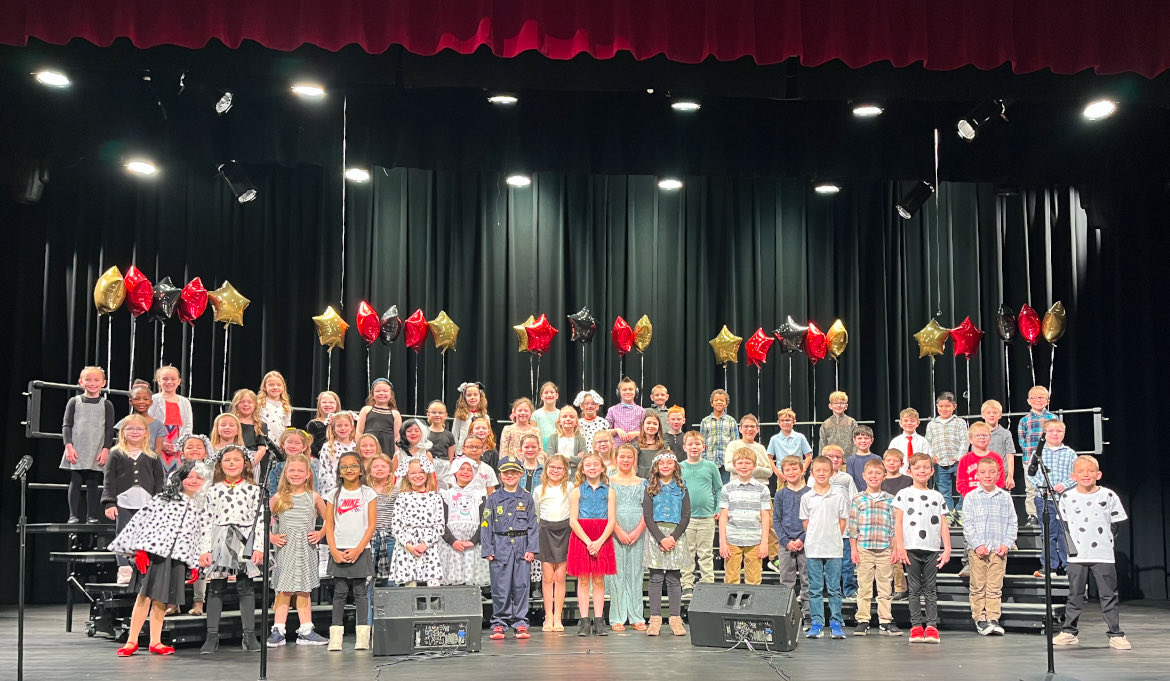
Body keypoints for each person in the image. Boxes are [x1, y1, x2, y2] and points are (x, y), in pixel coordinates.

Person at [108, 460, 209, 656]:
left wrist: (195, 563)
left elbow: (199, 536)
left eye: (199, 477)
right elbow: (142, 522)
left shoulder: (200, 506)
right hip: (155, 554)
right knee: (144, 596)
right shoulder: (164, 499)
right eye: (190, 476)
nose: (194, 481)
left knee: (162, 599)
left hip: (177, 558)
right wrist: (140, 550)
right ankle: (132, 640)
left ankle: (156, 641)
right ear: (180, 478)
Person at [1053, 455, 1131, 650]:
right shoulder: (1067, 497)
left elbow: (1115, 524)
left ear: (1098, 474)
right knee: (1075, 594)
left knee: (1108, 594)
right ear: (1073, 476)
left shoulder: (1108, 495)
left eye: (1090, 471)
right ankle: (1069, 631)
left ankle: (1115, 634)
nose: (1086, 475)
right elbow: (1065, 526)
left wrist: (1106, 543)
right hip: (1077, 555)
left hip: (1102, 554)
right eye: (1081, 471)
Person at [198, 445, 265, 654]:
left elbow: (260, 519)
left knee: (246, 586)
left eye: (236, 460)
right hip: (220, 539)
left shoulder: (254, 490)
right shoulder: (213, 490)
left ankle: (249, 635)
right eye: (227, 460)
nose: (232, 463)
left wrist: (258, 546)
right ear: (221, 464)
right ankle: (211, 636)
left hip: (244, 539)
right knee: (216, 587)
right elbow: (205, 521)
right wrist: (205, 549)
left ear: (244, 464)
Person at [266, 453, 329, 647]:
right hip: (286, 550)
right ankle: (278, 630)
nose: (296, 474)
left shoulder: (314, 497)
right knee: (284, 590)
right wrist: (272, 537)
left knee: (304, 590)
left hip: (306, 549)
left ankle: (306, 630)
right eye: (292, 470)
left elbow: (329, 519)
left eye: (300, 471)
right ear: (285, 473)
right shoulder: (277, 498)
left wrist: (320, 533)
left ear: (308, 474)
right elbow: (264, 523)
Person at [893, 452, 952, 644]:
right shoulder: (903, 494)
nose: (922, 471)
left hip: (931, 547)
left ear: (932, 471)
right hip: (911, 547)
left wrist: (947, 548)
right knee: (914, 589)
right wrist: (900, 547)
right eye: (917, 467)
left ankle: (932, 626)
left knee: (930, 589)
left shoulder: (937, 496)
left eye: (926, 467)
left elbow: (943, 524)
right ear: (909, 471)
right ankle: (916, 626)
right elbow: (898, 523)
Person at [102, 415, 167, 583]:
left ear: (146, 433)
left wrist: (159, 503)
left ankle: (145, 569)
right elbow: (109, 480)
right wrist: (109, 503)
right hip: (123, 501)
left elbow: (159, 481)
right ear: (122, 432)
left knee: (146, 534)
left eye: (139, 428)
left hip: (146, 502)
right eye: (130, 428)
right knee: (123, 533)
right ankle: (124, 568)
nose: (135, 432)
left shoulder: (152, 456)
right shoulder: (116, 454)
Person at [482, 455, 540, 640]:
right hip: (500, 546)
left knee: (521, 585)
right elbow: (486, 524)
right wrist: (487, 549)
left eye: (514, 472)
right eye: (506, 472)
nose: (510, 475)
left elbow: (533, 525)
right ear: (500, 475)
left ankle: (520, 622)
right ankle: (499, 622)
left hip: (521, 546)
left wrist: (531, 549)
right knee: (500, 587)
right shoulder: (493, 498)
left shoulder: (527, 497)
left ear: (520, 474)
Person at [324, 451, 377, 651]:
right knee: (339, 592)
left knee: (360, 591)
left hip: (360, 548)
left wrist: (358, 549)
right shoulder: (333, 494)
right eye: (344, 467)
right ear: (339, 471)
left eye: (353, 466)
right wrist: (333, 549)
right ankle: (335, 638)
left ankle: (362, 637)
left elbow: (371, 525)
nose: (349, 470)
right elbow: (329, 525)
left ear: (361, 470)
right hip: (339, 547)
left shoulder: (368, 493)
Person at [961, 457, 1017, 636]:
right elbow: (967, 524)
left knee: (994, 587)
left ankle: (993, 618)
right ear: (977, 475)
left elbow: (1012, 522)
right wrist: (977, 545)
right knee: (978, 586)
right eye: (983, 472)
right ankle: (980, 619)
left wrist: (1007, 544)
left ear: (998, 474)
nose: (987, 475)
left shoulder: (1005, 497)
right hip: (978, 551)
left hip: (998, 550)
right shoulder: (971, 497)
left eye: (992, 472)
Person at [568, 452, 618, 636]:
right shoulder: (577, 491)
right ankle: (584, 621)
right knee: (583, 579)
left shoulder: (609, 492)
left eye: (596, 464)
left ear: (602, 468)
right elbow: (573, 521)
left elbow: (612, 520)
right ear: (582, 469)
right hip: (582, 536)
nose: (592, 468)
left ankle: (599, 620)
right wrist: (589, 542)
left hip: (602, 536)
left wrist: (599, 542)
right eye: (588, 465)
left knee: (598, 579)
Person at [848, 459, 900, 636]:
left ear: (884, 476)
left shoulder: (890, 499)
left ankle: (885, 620)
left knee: (885, 586)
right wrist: (854, 549)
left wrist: (895, 549)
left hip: (885, 548)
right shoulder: (858, 499)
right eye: (870, 473)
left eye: (878, 473)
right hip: (864, 548)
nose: (874, 476)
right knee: (864, 586)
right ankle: (863, 619)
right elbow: (853, 527)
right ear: (864, 476)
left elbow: (894, 527)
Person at [643, 452, 691, 636]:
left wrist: (673, 537)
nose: (665, 466)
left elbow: (686, 515)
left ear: (675, 466)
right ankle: (655, 619)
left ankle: (675, 619)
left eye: (669, 463)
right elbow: (648, 516)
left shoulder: (682, 487)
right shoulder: (649, 487)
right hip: (656, 534)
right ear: (656, 466)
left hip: (675, 534)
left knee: (673, 578)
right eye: (661, 463)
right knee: (655, 578)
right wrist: (660, 538)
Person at [800, 455, 849, 640]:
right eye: (818, 470)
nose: (821, 473)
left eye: (825, 470)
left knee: (834, 588)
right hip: (813, 548)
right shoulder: (807, 497)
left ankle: (836, 622)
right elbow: (806, 522)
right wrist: (817, 536)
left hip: (834, 548)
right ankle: (817, 622)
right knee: (815, 589)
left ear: (831, 473)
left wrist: (833, 535)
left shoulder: (839, 495)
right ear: (812, 473)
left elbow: (842, 521)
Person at [725, 414, 781, 570]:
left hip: (760, 491)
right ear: (740, 429)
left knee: (769, 524)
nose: (749, 429)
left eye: (752, 427)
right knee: (739, 523)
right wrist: (753, 467)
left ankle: (773, 558)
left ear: (757, 429)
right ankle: (741, 558)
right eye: (746, 426)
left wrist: (749, 469)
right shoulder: (733, 445)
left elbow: (769, 471)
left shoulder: (760, 448)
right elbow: (729, 466)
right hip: (738, 492)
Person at [61, 366, 116, 523]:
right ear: (81, 382)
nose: (92, 383)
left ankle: (91, 516)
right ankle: (73, 515)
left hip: (96, 449)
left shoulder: (107, 404)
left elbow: (109, 429)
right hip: (77, 448)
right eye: (88, 380)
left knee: (93, 482)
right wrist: (68, 446)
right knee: (76, 480)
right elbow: (67, 425)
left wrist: (106, 449)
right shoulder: (74, 402)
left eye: (96, 380)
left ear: (103, 383)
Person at [606, 444, 649, 631]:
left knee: (636, 573)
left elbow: (647, 510)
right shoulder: (608, 482)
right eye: (622, 456)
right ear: (615, 459)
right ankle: (617, 617)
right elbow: (606, 510)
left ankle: (636, 616)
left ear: (634, 459)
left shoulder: (643, 482)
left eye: (629, 457)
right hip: (615, 530)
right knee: (617, 574)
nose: (625, 460)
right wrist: (617, 530)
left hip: (638, 531)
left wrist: (638, 530)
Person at [1026, 418, 1076, 578]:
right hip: (1044, 500)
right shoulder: (1038, 453)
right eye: (1051, 431)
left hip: (1064, 499)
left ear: (1064, 434)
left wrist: (1064, 485)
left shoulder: (1070, 453)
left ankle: (1068, 566)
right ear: (1045, 434)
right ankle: (1049, 566)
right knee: (1048, 533)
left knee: (1064, 533)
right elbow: (1031, 474)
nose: (1055, 434)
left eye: (1059, 431)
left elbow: (1075, 475)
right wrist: (1043, 487)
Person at [387, 457, 444, 588]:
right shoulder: (402, 497)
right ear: (407, 476)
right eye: (413, 473)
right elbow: (396, 526)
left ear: (427, 474)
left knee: (433, 584)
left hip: (429, 546)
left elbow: (439, 526)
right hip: (407, 547)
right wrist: (409, 546)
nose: (417, 476)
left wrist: (425, 544)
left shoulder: (435, 498)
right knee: (410, 586)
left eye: (421, 472)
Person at [533, 453, 573, 632]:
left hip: (564, 530)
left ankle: (558, 616)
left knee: (560, 577)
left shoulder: (570, 487)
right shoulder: (539, 489)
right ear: (546, 469)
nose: (555, 471)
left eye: (559, 468)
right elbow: (537, 512)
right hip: (546, 531)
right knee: (548, 577)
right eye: (552, 467)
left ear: (565, 470)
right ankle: (548, 616)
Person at [719, 448, 770, 585]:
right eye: (740, 463)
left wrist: (764, 542)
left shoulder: (762, 489)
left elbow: (765, 517)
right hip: (732, 538)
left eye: (747, 463)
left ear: (754, 466)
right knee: (731, 579)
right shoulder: (727, 488)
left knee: (754, 579)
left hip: (755, 539)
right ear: (734, 466)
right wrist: (723, 542)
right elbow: (723, 516)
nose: (744, 466)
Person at [438, 456, 490, 586]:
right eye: (462, 469)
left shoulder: (480, 495)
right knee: (453, 580)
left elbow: (485, 521)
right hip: (451, 545)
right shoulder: (446, 495)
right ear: (455, 471)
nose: (466, 472)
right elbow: (440, 522)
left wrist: (473, 541)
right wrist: (453, 541)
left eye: (469, 469)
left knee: (471, 580)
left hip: (473, 544)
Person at [679, 431, 720, 595]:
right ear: (684, 447)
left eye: (697, 444)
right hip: (686, 518)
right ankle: (687, 585)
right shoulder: (680, 467)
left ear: (703, 447)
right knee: (687, 552)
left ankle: (707, 585)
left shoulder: (710, 466)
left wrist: (717, 508)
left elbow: (719, 488)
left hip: (707, 517)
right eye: (690, 444)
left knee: (706, 553)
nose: (694, 447)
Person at [773, 455, 812, 627]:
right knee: (786, 581)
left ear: (802, 471)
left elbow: (813, 519)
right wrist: (785, 540)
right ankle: (788, 615)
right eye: (787, 470)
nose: (791, 472)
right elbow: (777, 520)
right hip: (786, 543)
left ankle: (808, 614)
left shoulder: (810, 493)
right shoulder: (780, 495)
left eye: (795, 468)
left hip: (806, 542)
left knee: (807, 579)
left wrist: (802, 539)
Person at [823, 445, 859, 597]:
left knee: (846, 563)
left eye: (837, 457)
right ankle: (830, 590)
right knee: (828, 562)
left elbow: (854, 500)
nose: (834, 459)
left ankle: (849, 590)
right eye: (830, 456)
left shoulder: (846, 478)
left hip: (845, 528)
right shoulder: (817, 477)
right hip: (825, 528)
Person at [925, 391, 968, 516]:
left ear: (954, 407)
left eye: (947, 406)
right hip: (940, 463)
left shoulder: (960, 422)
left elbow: (965, 441)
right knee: (944, 491)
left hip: (957, 462)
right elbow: (928, 442)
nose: (944, 409)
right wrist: (932, 456)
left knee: (963, 487)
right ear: (937, 407)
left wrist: (959, 457)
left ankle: (959, 512)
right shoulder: (932, 424)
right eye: (941, 406)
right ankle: (948, 514)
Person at [1017, 386, 1055, 526]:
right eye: (1034, 398)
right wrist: (1030, 453)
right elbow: (1022, 440)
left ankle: (1050, 513)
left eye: (1041, 397)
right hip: (1030, 459)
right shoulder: (1024, 420)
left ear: (1047, 401)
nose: (1038, 400)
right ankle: (1032, 515)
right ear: (1029, 401)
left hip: (1048, 459)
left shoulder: (1053, 418)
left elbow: (1056, 436)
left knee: (1048, 486)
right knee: (1031, 488)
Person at [880, 448, 913, 600]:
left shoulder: (907, 480)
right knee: (894, 557)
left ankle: (913, 588)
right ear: (883, 463)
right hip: (886, 523)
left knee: (906, 556)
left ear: (902, 463)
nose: (892, 463)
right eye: (889, 461)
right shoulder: (880, 480)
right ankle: (900, 587)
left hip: (906, 522)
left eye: (895, 461)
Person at [119, 381, 171, 475]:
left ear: (151, 402)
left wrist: (147, 462)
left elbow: (158, 449)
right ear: (131, 401)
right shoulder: (124, 423)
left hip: (148, 467)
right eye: (137, 399)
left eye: (145, 399)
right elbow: (120, 445)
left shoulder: (158, 425)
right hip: (126, 466)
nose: (141, 402)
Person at [366, 452, 397, 585]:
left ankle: (389, 599)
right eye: (375, 466)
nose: (379, 469)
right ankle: (367, 600)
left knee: (390, 578)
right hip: (369, 537)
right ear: (369, 470)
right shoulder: (364, 491)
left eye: (383, 466)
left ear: (390, 470)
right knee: (367, 577)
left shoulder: (396, 491)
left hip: (389, 537)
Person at [147, 365, 192, 456]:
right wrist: (160, 443)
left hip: (178, 445)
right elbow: (147, 423)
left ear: (179, 381)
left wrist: (179, 445)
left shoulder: (185, 402)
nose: (169, 382)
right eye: (165, 379)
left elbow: (188, 426)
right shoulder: (153, 399)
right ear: (159, 381)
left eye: (173, 379)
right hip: (157, 445)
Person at [956, 422, 1007, 499]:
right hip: (971, 499)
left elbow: (1000, 480)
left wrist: (991, 494)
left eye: (985, 435)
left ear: (990, 438)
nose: (982, 438)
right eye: (978, 435)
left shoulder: (997, 458)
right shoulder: (965, 459)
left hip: (992, 498)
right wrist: (969, 496)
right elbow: (961, 483)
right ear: (970, 439)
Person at [318, 411, 358, 502]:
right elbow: (324, 472)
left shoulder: (356, 447)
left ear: (352, 427)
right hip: (331, 495)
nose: (343, 428)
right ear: (333, 428)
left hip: (353, 495)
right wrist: (339, 490)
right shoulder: (328, 447)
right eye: (339, 425)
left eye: (346, 425)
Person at [701, 388, 738, 482]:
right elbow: (702, 442)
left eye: (722, 400)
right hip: (710, 462)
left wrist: (733, 460)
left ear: (726, 404)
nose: (719, 402)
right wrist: (704, 459)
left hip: (726, 463)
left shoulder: (731, 421)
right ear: (712, 403)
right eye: (716, 400)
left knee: (726, 487)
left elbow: (735, 442)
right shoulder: (705, 421)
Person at [356, 378, 402, 454]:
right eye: (377, 391)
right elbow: (359, 431)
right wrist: (359, 448)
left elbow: (397, 436)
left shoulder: (395, 414)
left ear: (391, 394)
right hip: (368, 448)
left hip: (387, 449)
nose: (381, 393)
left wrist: (397, 453)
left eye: (385, 391)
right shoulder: (366, 410)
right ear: (372, 394)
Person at [981, 399, 1017, 493]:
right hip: (982, 475)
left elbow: (1010, 455)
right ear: (983, 415)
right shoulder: (978, 433)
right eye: (988, 412)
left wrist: (1010, 476)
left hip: (1001, 475)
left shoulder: (1005, 434)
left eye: (995, 412)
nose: (992, 415)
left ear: (1000, 415)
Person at [766, 408, 812, 473]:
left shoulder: (800, 437)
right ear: (778, 422)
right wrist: (778, 473)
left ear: (794, 422)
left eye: (788, 420)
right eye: (782, 420)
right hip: (781, 473)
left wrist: (802, 471)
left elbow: (809, 456)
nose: (785, 423)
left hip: (798, 473)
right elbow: (769, 458)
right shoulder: (774, 439)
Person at [888, 407, 930, 475]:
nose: (909, 423)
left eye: (912, 421)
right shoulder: (895, 442)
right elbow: (891, 459)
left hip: (919, 474)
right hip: (900, 474)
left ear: (918, 423)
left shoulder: (923, 441)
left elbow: (926, 460)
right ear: (900, 423)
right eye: (906, 421)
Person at [606, 377, 645, 445]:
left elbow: (647, 432)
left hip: (637, 447)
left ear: (636, 392)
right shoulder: (612, 410)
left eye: (631, 389)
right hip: (617, 448)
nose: (628, 392)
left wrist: (636, 433)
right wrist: (617, 430)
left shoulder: (642, 411)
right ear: (619, 392)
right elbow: (605, 432)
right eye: (624, 390)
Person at [451, 381, 489, 452]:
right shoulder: (460, 416)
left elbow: (488, 435)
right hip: (463, 452)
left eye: (475, 395)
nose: (472, 397)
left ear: (480, 396)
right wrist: (457, 451)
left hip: (480, 451)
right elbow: (454, 435)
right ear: (464, 397)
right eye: (469, 395)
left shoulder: (485, 417)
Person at [820, 391, 858, 458]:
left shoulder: (852, 422)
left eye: (842, 403)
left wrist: (854, 458)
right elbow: (822, 444)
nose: (839, 405)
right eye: (836, 403)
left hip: (848, 460)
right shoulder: (825, 424)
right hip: (831, 460)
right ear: (830, 406)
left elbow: (856, 442)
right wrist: (823, 459)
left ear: (846, 406)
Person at [257, 370, 293, 439]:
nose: (275, 387)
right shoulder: (259, 403)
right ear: (264, 387)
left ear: (283, 387)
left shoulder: (285, 406)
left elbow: (285, 427)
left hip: (279, 441)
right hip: (263, 441)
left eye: (279, 385)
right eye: (271, 385)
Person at [844, 426, 881, 492]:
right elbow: (851, 481)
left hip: (874, 492)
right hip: (857, 494)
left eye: (866, 438)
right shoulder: (850, 460)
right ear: (854, 440)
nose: (863, 441)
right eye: (859, 438)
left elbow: (879, 478)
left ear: (872, 440)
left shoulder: (877, 458)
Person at [306, 390, 342, 457]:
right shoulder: (313, 424)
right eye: (324, 402)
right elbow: (311, 444)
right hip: (319, 457)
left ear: (337, 404)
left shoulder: (343, 423)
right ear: (319, 405)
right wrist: (322, 455)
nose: (327, 405)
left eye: (331, 402)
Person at [635, 411, 666, 477]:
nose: (651, 426)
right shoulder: (635, 446)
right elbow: (633, 469)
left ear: (659, 427)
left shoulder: (664, 446)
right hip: (641, 479)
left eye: (655, 424)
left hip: (659, 479)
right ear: (643, 424)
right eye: (648, 423)